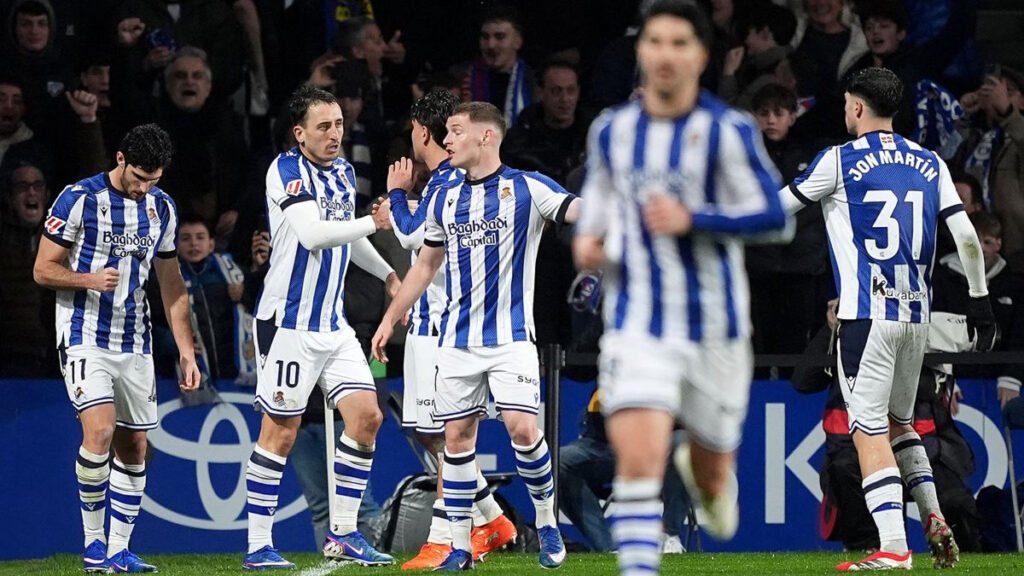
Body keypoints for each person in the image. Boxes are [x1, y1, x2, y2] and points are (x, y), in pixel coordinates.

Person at [572, 1, 789, 574]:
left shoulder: (728, 129)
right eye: (655, 42)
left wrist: (697, 218)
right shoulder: (612, 132)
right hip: (637, 324)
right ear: (640, 51)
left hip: (715, 328)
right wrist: (590, 248)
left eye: (679, 44)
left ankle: (710, 477)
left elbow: (776, 217)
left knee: (715, 480)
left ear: (701, 55)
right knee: (637, 463)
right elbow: (590, 225)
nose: (665, 55)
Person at [780, 66, 998, 571]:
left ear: (856, 106)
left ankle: (895, 549)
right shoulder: (930, 162)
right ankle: (934, 516)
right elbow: (966, 237)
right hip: (915, 320)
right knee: (903, 423)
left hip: (865, 317)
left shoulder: (838, 160)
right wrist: (980, 302)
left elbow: (780, 209)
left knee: (867, 430)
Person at [371, 101, 581, 571]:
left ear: (486, 136)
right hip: (456, 341)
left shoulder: (526, 187)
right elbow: (424, 264)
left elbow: (578, 209)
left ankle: (547, 522)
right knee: (457, 440)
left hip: (510, 339)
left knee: (523, 430)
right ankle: (460, 547)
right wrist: (391, 318)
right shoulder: (446, 197)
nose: (447, 140)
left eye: (455, 131)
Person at [241, 84, 400, 570]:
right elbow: (314, 235)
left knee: (367, 418)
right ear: (300, 133)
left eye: (339, 124)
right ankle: (258, 546)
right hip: (287, 325)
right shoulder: (285, 170)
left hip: (333, 325)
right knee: (281, 433)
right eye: (324, 126)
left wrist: (388, 274)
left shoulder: (344, 172)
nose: (336, 133)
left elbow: (345, 238)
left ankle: (345, 534)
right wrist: (374, 223)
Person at [32, 123, 201, 574]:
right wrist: (88, 279)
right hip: (85, 333)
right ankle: (93, 544)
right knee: (101, 432)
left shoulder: (161, 208)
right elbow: (42, 270)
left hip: (137, 340)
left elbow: (170, 281)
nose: (146, 187)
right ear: (121, 159)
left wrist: (186, 349)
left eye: (155, 179)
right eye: (139, 177)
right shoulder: (79, 199)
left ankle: (119, 550)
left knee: (135, 445)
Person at [382, 88, 517, 570]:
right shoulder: (447, 182)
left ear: (423, 132)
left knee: (447, 433)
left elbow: (415, 236)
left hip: (443, 327)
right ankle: (491, 517)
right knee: (431, 434)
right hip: (429, 322)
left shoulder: (447, 182)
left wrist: (396, 198)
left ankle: (444, 538)